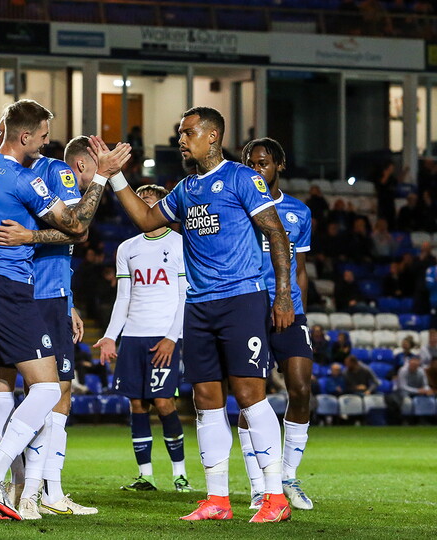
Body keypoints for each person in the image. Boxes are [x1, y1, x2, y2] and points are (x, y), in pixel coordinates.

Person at [108, 107, 295, 522]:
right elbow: (143, 217)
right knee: (206, 400)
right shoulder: (185, 189)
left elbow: (277, 234)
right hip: (198, 305)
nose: (181, 139)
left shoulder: (242, 179)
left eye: (188, 132)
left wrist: (282, 296)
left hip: (242, 299)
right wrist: (114, 176)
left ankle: (274, 497)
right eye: (180, 133)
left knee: (249, 396)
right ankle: (218, 500)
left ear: (213, 136)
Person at [0, 99, 130, 521]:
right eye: (43, 136)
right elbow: (77, 226)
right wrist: (102, 177)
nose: (47, 143)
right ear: (25, 136)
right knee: (49, 390)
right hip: (10, 291)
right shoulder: (24, 179)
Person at [92, 184, 192, 494]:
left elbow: (184, 296)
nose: (144, 206)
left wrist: (172, 338)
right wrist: (110, 337)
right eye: (140, 201)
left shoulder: (180, 245)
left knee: (164, 403)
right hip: (133, 337)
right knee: (137, 404)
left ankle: (180, 475)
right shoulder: (127, 248)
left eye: (151, 202)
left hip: (163, 336)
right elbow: (123, 297)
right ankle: (145, 475)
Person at [238, 137, 315, 511]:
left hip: (289, 312)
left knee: (300, 388)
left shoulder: (299, 212)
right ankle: (258, 485)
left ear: (279, 166)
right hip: (250, 309)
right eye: (251, 163)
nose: (257, 169)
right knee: (251, 397)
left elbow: (300, 271)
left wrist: (301, 310)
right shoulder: (239, 208)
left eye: (264, 163)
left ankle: (288, 476)